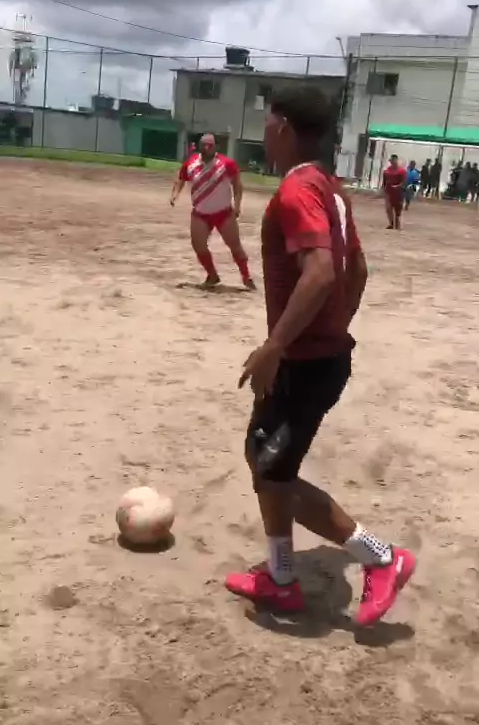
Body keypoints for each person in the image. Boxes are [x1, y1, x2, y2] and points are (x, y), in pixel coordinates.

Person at [225, 86, 416, 626]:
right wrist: (334, 327)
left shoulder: (297, 192)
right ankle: (281, 576)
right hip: (322, 357)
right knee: (267, 461)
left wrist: (276, 346)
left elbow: (323, 272)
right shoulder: (331, 189)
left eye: (268, 122)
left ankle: (382, 558)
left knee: (273, 474)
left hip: (303, 364)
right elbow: (357, 270)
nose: (264, 131)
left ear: (283, 126)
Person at [170, 134, 255, 290]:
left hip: (223, 213)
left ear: (216, 147)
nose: (206, 148)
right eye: (203, 145)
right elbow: (181, 178)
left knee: (234, 245)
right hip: (200, 213)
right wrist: (175, 194)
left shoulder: (226, 164)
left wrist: (237, 206)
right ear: (199, 146)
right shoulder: (191, 163)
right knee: (198, 245)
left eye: (209, 145)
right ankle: (212, 275)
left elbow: (237, 185)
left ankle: (246, 276)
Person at [382, 154, 407, 229]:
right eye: (391, 161)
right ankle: (391, 223)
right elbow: (384, 182)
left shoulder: (402, 171)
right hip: (389, 192)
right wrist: (383, 190)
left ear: (396, 160)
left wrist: (398, 186)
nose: (392, 162)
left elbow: (404, 182)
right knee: (388, 208)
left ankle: (397, 224)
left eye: (393, 160)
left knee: (397, 209)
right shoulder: (387, 171)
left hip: (398, 193)